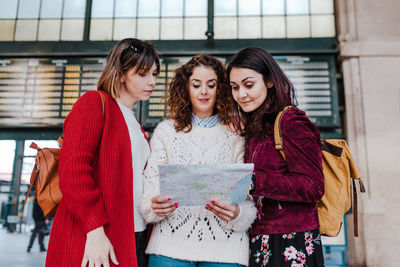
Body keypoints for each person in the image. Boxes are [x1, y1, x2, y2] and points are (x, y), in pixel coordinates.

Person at [45, 38, 160, 267]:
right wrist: (94, 229)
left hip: (134, 234)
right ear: (120, 74)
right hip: (96, 233)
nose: (152, 82)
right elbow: (73, 171)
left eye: (155, 74)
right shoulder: (94, 104)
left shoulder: (134, 123)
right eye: (143, 74)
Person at [139, 54, 257, 267]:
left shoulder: (237, 133)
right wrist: (153, 206)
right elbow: (151, 187)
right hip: (169, 245)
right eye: (196, 85)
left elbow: (248, 197)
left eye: (211, 85)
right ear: (186, 88)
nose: (203, 91)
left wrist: (238, 213)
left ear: (220, 89)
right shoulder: (166, 131)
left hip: (226, 248)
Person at [227, 47, 325, 267]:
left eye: (248, 84)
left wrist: (254, 180)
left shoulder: (291, 120)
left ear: (269, 81)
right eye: (235, 87)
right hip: (260, 240)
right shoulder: (255, 127)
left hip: (292, 240)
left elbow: (313, 187)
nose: (241, 94)